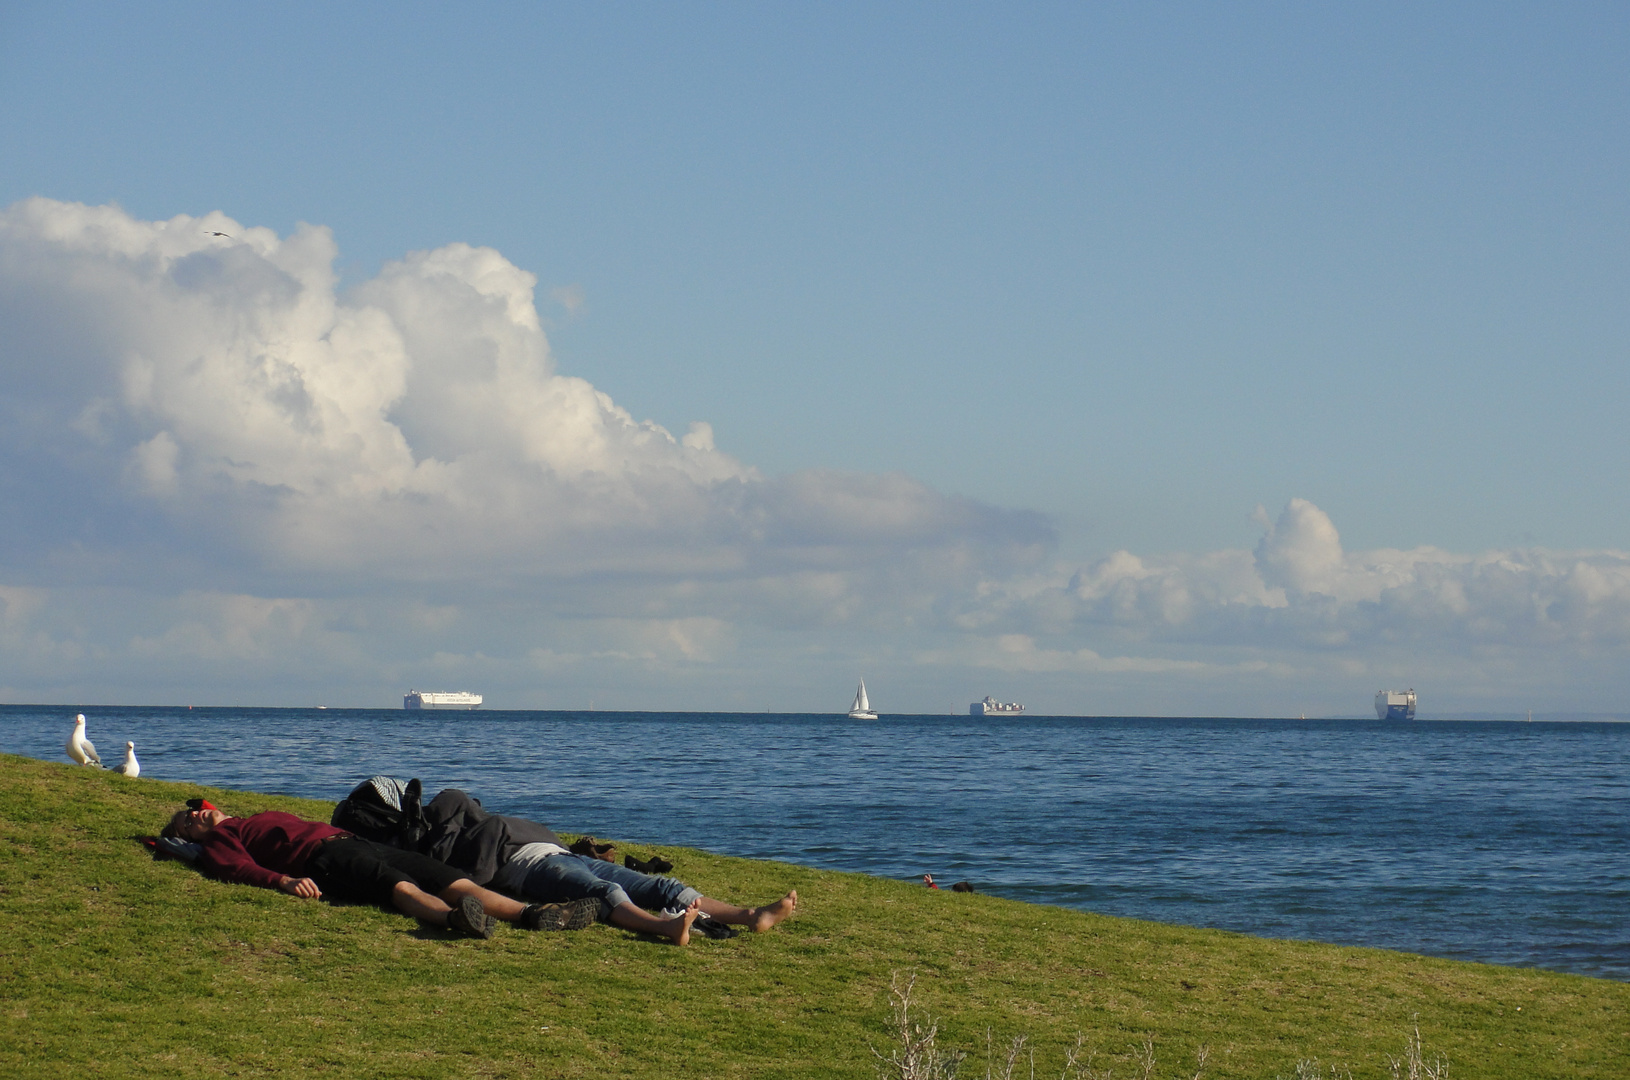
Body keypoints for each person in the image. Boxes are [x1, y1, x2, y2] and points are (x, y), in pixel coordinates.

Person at [338, 784, 796, 947]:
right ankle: (662, 929)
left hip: (555, 855)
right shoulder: (446, 842)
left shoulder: (467, 825)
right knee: (603, 893)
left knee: (654, 883)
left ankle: (748, 916)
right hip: (528, 869)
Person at [163, 803, 598, 938]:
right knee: (397, 885)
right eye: (187, 822)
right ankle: (453, 920)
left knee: (451, 878)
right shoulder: (221, 840)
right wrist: (284, 880)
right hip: (321, 859)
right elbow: (234, 868)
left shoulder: (252, 816)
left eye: (194, 811)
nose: (195, 816)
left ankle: (531, 914)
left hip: (354, 841)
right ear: (191, 836)